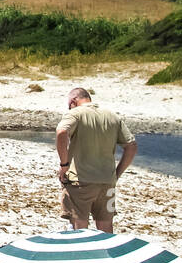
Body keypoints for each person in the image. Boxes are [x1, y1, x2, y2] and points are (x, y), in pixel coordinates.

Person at [56, 87, 136, 232]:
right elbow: (131, 146)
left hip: (80, 181)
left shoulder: (75, 114)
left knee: (79, 228)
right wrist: (117, 174)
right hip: (107, 182)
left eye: (69, 105)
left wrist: (64, 165)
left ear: (73, 101)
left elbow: (61, 132)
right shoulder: (112, 116)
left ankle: (82, 254)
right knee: (106, 228)